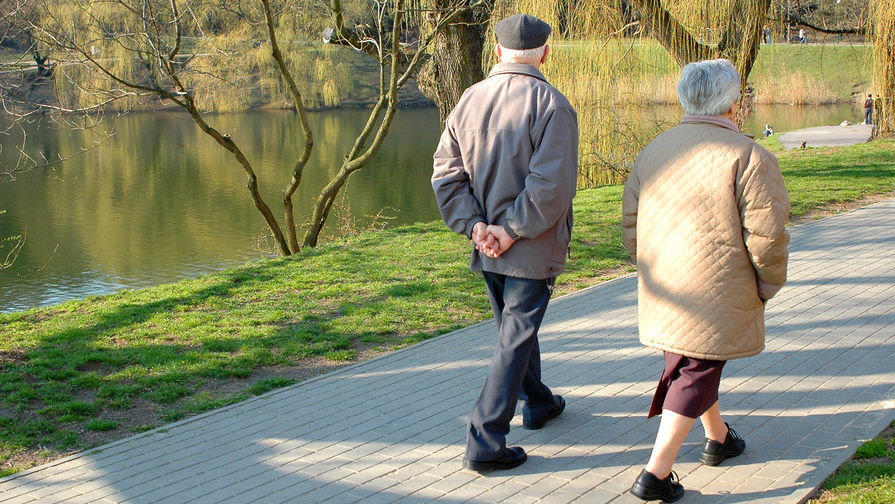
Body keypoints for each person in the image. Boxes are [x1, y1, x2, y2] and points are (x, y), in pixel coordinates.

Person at [622, 59, 790, 502]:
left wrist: (651, 266)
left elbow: (631, 223)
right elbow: (768, 234)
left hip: (666, 285)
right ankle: (654, 476)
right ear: (733, 101)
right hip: (720, 286)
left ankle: (718, 438)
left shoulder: (654, 149)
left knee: (691, 361)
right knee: (696, 368)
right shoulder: (750, 156)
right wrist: (768, 283)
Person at [431, 13, 578, 473]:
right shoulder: (552, 104)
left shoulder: (468, 101)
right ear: (545, 53)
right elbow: (551, 186)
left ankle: (538, 402)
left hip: (488, 245)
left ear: (497, 51)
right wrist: (509, 230)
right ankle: (484, 440)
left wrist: (476, 228)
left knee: (514, 334)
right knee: (513, 341)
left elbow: (446, 175)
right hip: (527, 246)